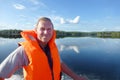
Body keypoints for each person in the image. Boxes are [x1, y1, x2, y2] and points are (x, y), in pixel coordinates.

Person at [0, 17, 87, 80]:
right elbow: (1, 73)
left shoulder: (53, 47)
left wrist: (76, 77)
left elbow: (59, 63)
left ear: (52, 31)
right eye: (42, 29)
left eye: (49, 29)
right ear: (36, 30)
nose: (46, 32)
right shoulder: (24, 50)